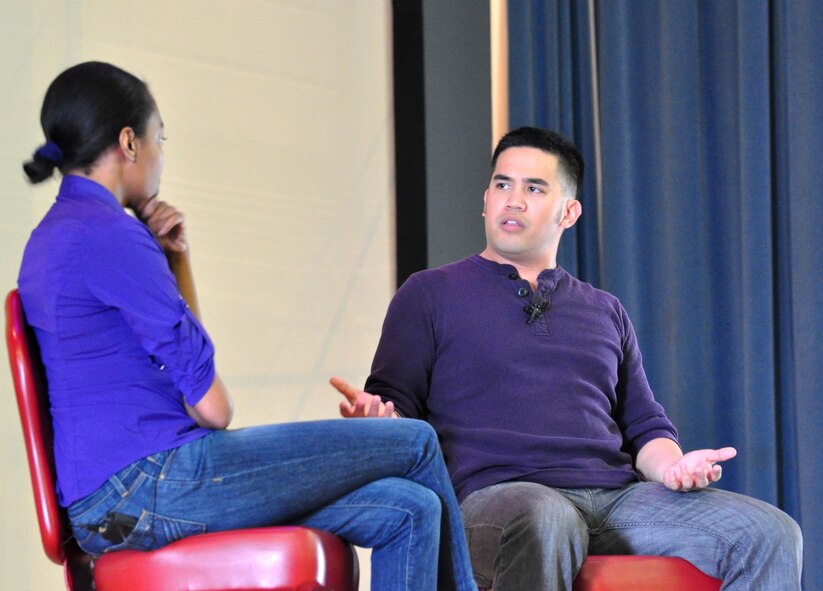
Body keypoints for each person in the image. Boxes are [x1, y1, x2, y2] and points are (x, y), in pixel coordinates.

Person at [17, 61, 477, 591]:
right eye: (159, 137)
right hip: (151, 486)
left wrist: (176, 261)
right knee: (416, 440)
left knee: (408, 508)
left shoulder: (53, 238)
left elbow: (183, 378)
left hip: (112, 503)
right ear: (129, 142)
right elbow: (212, 407)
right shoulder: (112, 237)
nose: (162, 154)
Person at [331, 127, 803, 590]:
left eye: (534, 188)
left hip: (616, 501)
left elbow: (645, 428)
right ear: (485, 199)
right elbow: (395, 407)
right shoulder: (429, 294)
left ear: (569, 212)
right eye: (502, 184)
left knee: (768, 533)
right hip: (500, 499)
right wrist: (378, 418)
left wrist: (674, 469)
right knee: (545, 516)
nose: (513, 200)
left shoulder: (605, 310)